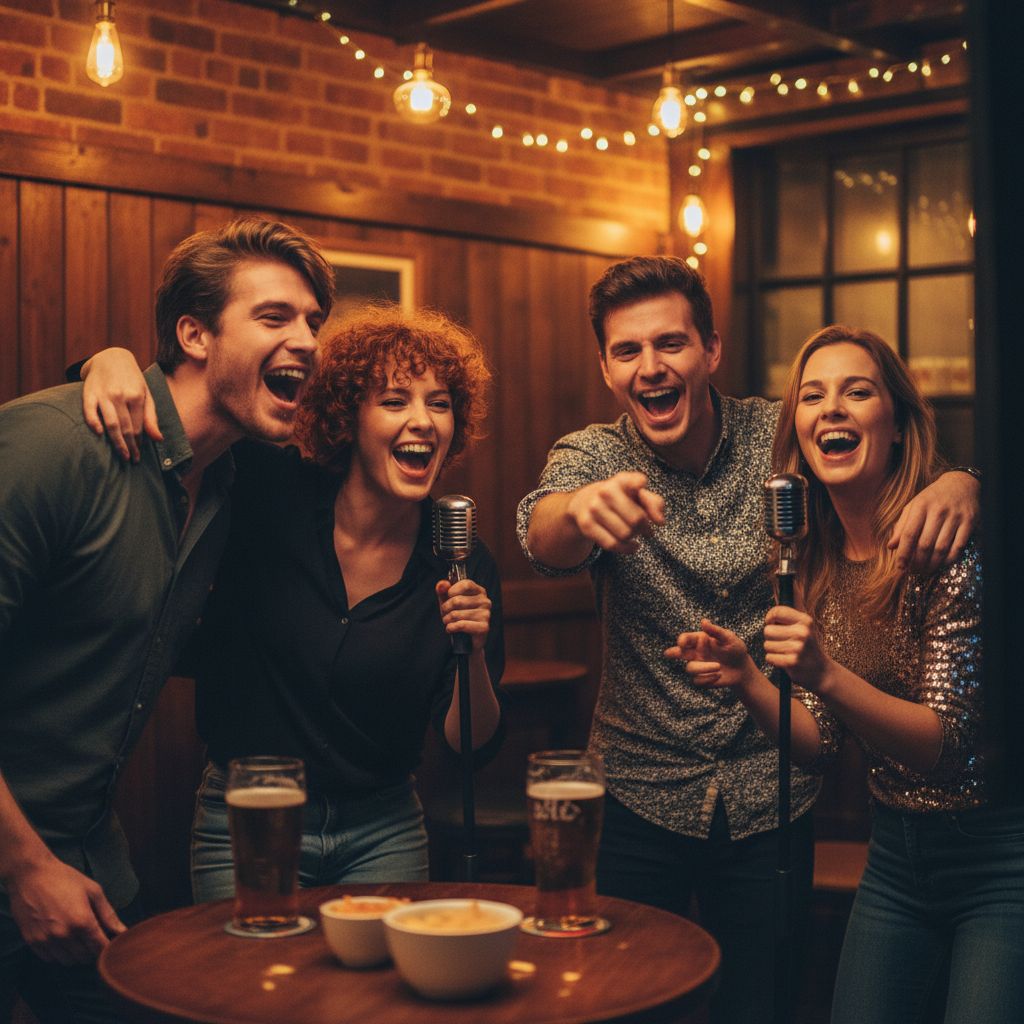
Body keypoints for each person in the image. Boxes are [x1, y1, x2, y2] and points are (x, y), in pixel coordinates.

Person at [516, 257, 981, 1024]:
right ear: (605, 365)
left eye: (671, 343)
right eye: (627, 351)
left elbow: (882, 445)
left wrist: (962, 482)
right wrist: (580, 511)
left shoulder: (779, 432)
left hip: (774, 790)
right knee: (621, 1004)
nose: (650, 366)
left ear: (711, 351)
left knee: (762, 1006)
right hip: (638, 790)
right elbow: (542, 528)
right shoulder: (594, 456)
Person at [0, 217, 334, 1023]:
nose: (307, 340)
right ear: (194, 334)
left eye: (313, 321)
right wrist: (23, 869)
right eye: (274, 317)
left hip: (82, 857)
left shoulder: (231, 481)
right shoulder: (54, 448)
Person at [79, 303, 504, 898]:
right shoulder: (269, 489)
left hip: (384, 829)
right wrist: (107, 361)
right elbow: (168, 418)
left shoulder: (461, 559)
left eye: (439, 403)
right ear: (348, 418)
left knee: (379, 992)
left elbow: (469, 743)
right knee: (252, 986)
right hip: (250, 815)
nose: (424, 421)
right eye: (394, 401)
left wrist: (474, 655)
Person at [670, 325, 1024, 1024]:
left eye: (856, 391)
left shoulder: (947, 541)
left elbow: (950, 749)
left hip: (998, 859)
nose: (831, 408)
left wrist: (824, 673)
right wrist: (748, 681)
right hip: (893, 856)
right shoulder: (816, 560)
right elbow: (819, 743)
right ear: (797, 431)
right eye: (813, 396)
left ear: (895, 424)